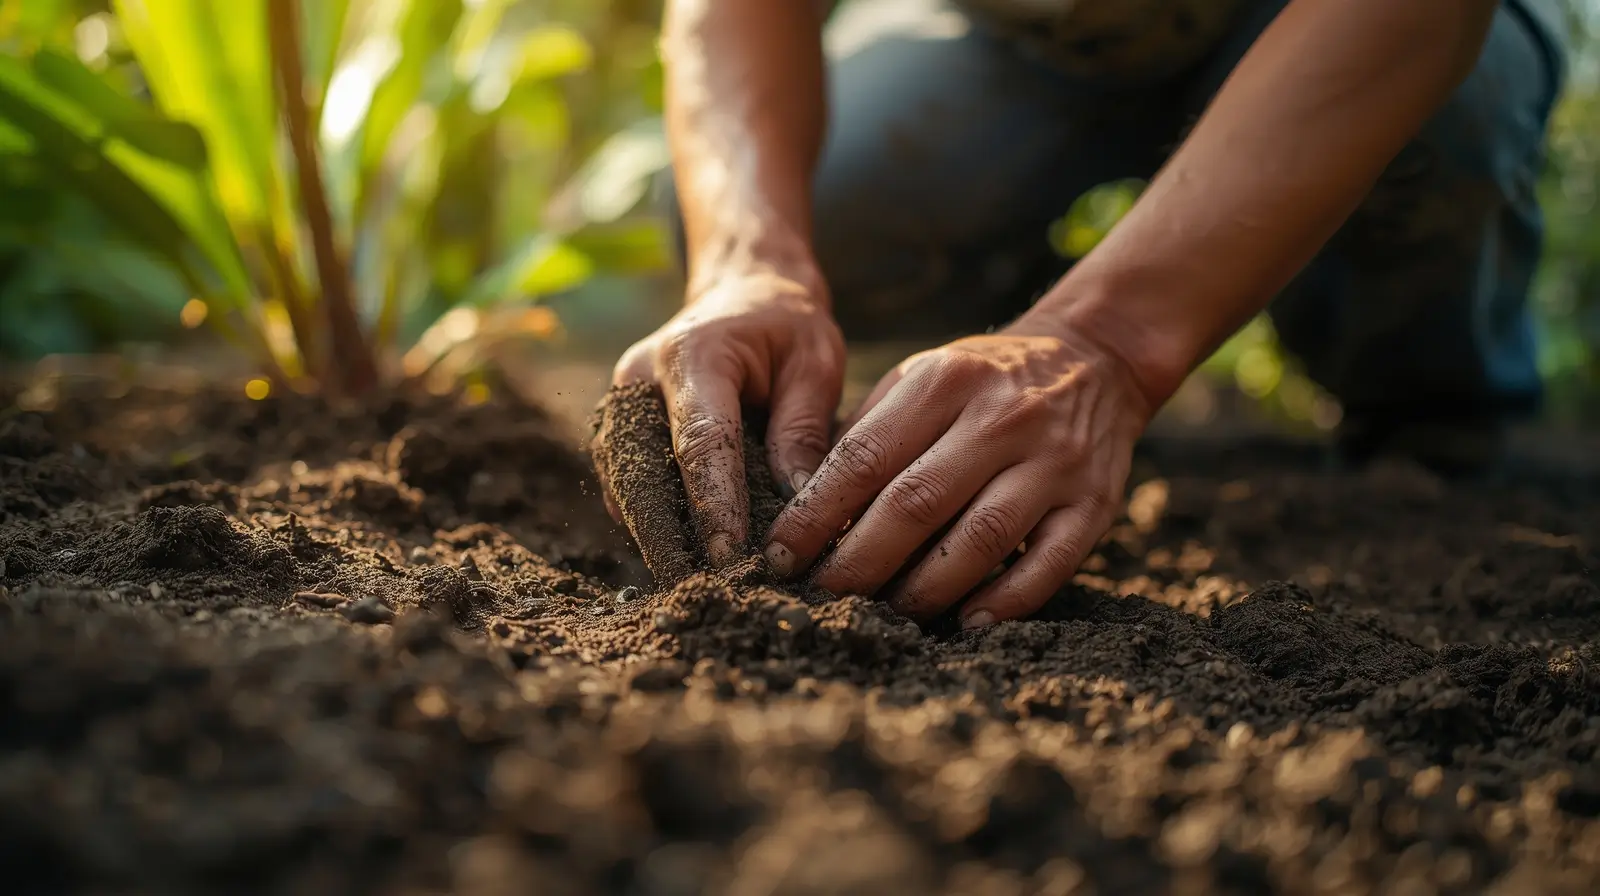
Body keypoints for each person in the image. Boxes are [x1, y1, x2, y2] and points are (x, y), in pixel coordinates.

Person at [606, 0, 1570, 629]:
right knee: (806, 193)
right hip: (1031, 42)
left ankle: (1425, 415)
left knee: (1456, 128)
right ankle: (1012, 371)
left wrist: (1108, 343)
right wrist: (751, 257)